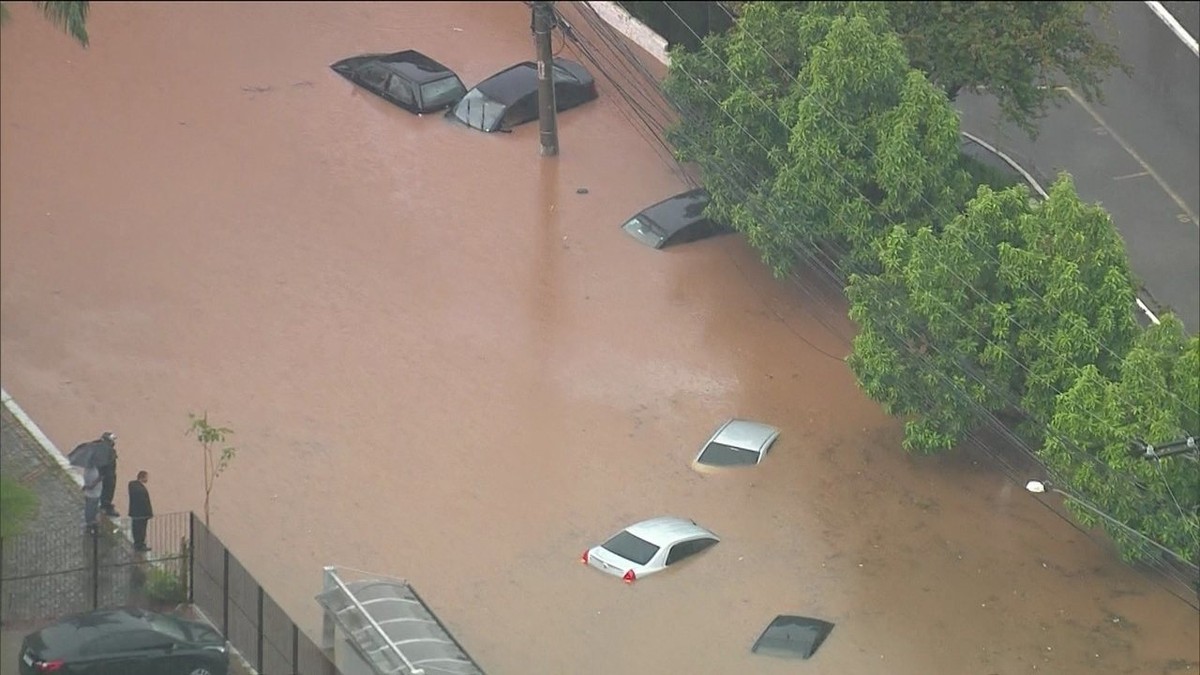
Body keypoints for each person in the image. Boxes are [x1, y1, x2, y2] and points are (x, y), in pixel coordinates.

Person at [128, 470, 153, 552]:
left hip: (134, 513)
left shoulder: (132, 485)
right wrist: (149, 513)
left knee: (136, 529)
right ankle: (140, 545)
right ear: (143, 477)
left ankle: (138, 544)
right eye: (146, 477)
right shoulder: (141, 489)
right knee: (141, 530)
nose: (147, 479)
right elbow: (144, 503)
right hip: (142, 514)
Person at [95, 431, 120, 517]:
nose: (114, 442)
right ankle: (105, 507)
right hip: (107, 475)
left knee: (106, 491)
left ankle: (104, 506)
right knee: (107, 491)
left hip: (107, 474)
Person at [82, 465, 103, 535]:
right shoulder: (91, 472)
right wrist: (100, 478)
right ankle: (92, 527)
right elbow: (92, 485)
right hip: (93, 495)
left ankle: (90, 525)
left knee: (90, 510)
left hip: (91, 494)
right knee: (92, 511)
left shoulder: (88, 470)